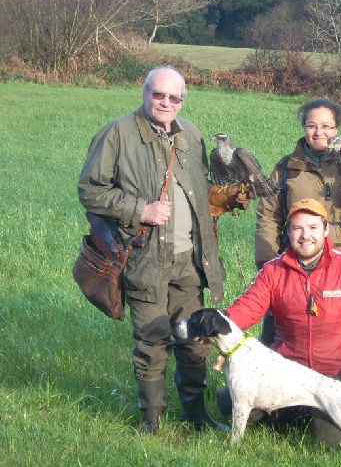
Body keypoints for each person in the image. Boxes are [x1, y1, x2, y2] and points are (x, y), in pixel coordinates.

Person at [78, 65, 244, 434]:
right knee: (152, 341)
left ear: (182, 100)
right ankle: (151, 421)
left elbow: (198, 189)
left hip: (191, 259)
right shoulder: (117, 134)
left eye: (174, 97)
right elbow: (90, 190)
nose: (166, 102)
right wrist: (141, 210)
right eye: (159, 94)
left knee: (195, 340)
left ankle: (196, 415)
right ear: (145, 92)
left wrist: (219, 200)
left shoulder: (192, 135)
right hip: (145, 259)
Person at [216, 198, 341, 447]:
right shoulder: (273, 271)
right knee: (228, 402)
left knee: (329, 442)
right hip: (286, 369)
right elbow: (246, 309)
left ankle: (307, 415)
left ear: (326, 230)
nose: (306, 236)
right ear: (289, 232)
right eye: (298, 228)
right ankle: (290, 411)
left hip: (334, 372)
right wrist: (211, 324)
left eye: (313, 228)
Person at [254, 98, 341, 344]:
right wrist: (268, 262)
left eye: (327, 126)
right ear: (304, 128)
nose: (319, 132)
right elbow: (268, 215)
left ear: (337, 129)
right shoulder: (286, 167)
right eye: (312, 125)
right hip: (292, 264)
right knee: (281, 338)